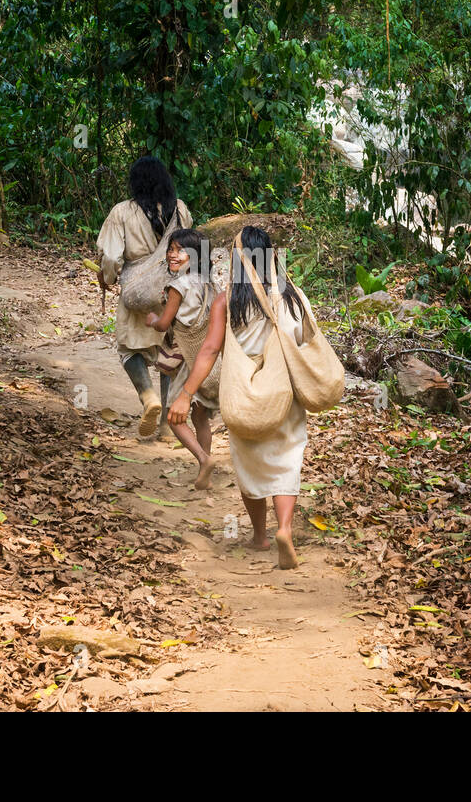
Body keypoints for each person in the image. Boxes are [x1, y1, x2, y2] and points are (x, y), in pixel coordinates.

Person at [169, 225, 312, 570]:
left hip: (242, 395)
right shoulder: (291, 295)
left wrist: (186, 393)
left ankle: (260, 536)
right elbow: (305, 339)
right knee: (287, 458)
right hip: (283, 392)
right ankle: (286, 530)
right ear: (270, 257)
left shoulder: (227, 300)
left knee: (249, 464)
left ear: (235, 260)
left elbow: (210, 349)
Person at [96, 156, 193, 437]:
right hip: (172, 289)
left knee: (129, 349)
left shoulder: (122, 212)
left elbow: (112, 257)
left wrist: (110, 278)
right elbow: (191, 248)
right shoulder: (181, 210)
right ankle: (165, 425)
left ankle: (148, 397)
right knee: (168, 353)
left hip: (137, 290)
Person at [146, 229, 220, 489]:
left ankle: (203, 459)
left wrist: (154, 320)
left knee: (174, 418)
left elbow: (165, 323)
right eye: (171, 249)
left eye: (179, 250)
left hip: (188, 360)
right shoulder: (212, 284)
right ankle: (205, 471)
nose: (172, 254)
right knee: (201, 418)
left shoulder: (178, 286)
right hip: (209, 360)